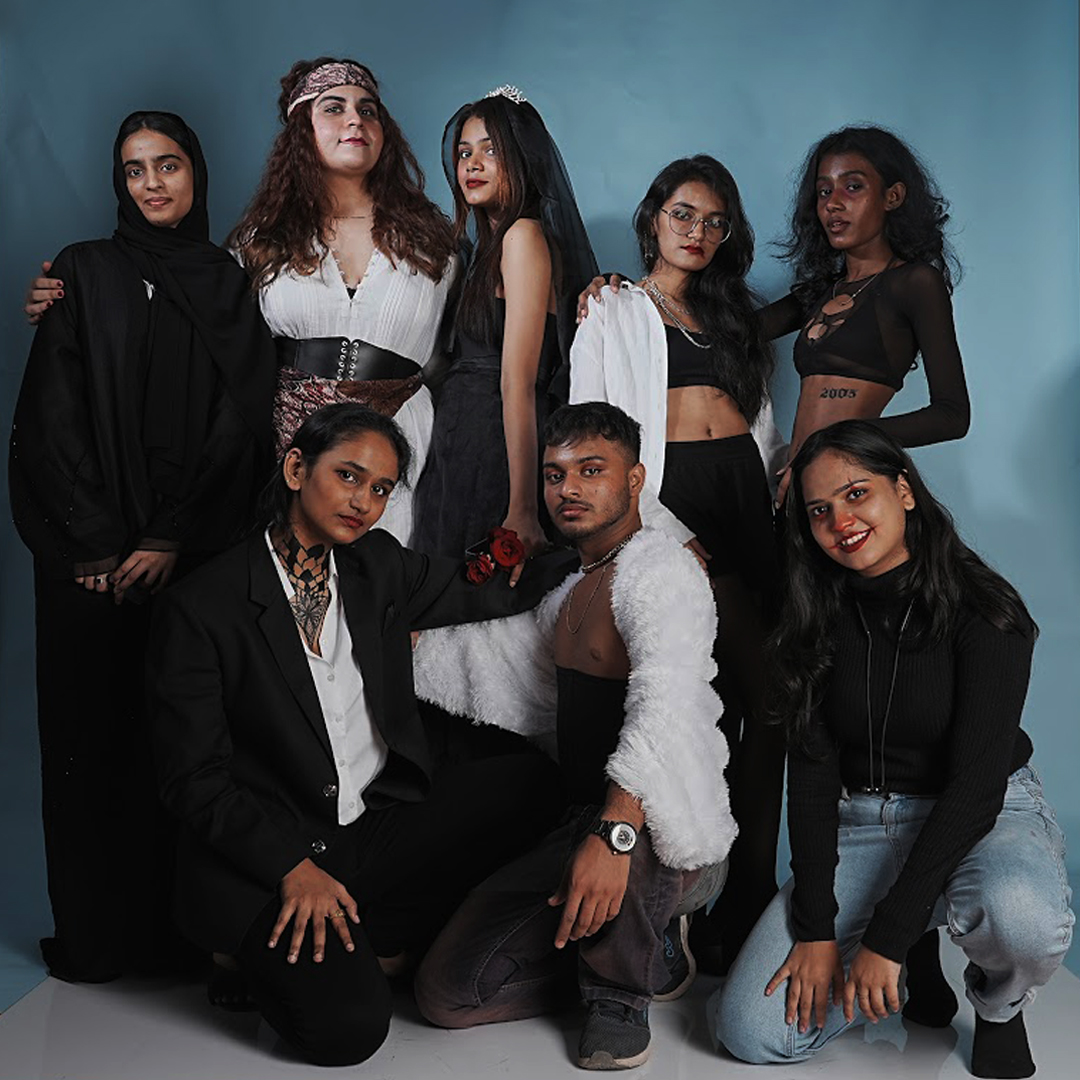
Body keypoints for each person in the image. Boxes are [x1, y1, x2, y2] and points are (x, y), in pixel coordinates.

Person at [145, 402, 576, 1067]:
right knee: (349, 1031)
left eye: (380, 488)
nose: (364, 503)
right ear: (296, 469)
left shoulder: (377, 564)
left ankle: (383, 929)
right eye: (348, 476)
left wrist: (607, 551)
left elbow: (484, 591)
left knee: (533, 783)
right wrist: (292, 871)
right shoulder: (203, 606)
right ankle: (243, 953)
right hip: (273, 854)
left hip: (365, 827)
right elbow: (193, 780)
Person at [713, 420, 1072, 1080]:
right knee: (749, 1030)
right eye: (819, 510)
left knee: (1023, 920)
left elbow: (973, 790)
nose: (840, 522)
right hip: (866, 820)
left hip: (984, 813)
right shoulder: (813, 615)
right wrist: (817, 930)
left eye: (857, 494)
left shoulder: (986, 611)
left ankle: (998, 1005)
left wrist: (885, 938)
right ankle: (910, 959)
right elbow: (813, 778)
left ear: (903, 490)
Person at [8, 110, 275, 983]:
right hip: (85, 563)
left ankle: (187, 941)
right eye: (134, 170)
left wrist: (169, 537)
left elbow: (239, 421)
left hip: (190, 556)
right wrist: (92, 546)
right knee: (91, 747)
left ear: (196, 172)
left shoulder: (228, 281)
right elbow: (51, 414)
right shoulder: (83, 271)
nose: (153, 184)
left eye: (168, 165)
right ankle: (99, 940)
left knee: (186, 743)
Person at [411, 402, 734, 1070]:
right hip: (580, 821)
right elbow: (502, 668)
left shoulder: (664, 572)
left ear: (635, 479)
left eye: (591, 470)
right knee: (447, 995)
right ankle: (644, 951)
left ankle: (619, 996)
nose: (569, 489)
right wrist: (398, 648)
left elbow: (667, 705)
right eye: (555, 475)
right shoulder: (573, 586)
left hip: (655, 830)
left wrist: (614, 836)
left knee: (637, 840)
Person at [24, 58, 458, 545]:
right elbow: (192, 321)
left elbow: (469, 347)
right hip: (288, 444)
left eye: (368, 110)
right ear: (302, 130)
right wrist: (70, 300)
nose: (355, 120)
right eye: (334, 108)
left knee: (392, 574)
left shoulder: (436, 242)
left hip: (402, 440)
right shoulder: (260, 241)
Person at [570, 156, 785, 970]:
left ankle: (743, 898)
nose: (697, 232)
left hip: (745, 504)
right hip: (672, 504)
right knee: (694, 704)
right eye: (683, 214)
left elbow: (762, 425)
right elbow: (591, 430)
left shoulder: (735, 316)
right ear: (654, 217)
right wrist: (656, 526)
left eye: (714, 221)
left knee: (767, 705)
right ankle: (674, 900)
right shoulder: (612, 308)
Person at [412, 85, 597, 558]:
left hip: (494, 440)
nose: (472, 165)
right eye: (464, 153)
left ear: (520, 160)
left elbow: (519, 383)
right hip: (461, 434)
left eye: (490, 151)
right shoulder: (484, 248)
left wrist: (522, 508)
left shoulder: (523, 237)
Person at [760, 125, 970, 504]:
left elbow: (952, 415)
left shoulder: (914, 282)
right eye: (824, 191)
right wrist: (646, 291)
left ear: (893, 196)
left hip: (853, 481)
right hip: (800, 485)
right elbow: (731, 332)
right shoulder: (819, 293)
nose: (833, 203)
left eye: (852, 187)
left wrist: (835, 440)